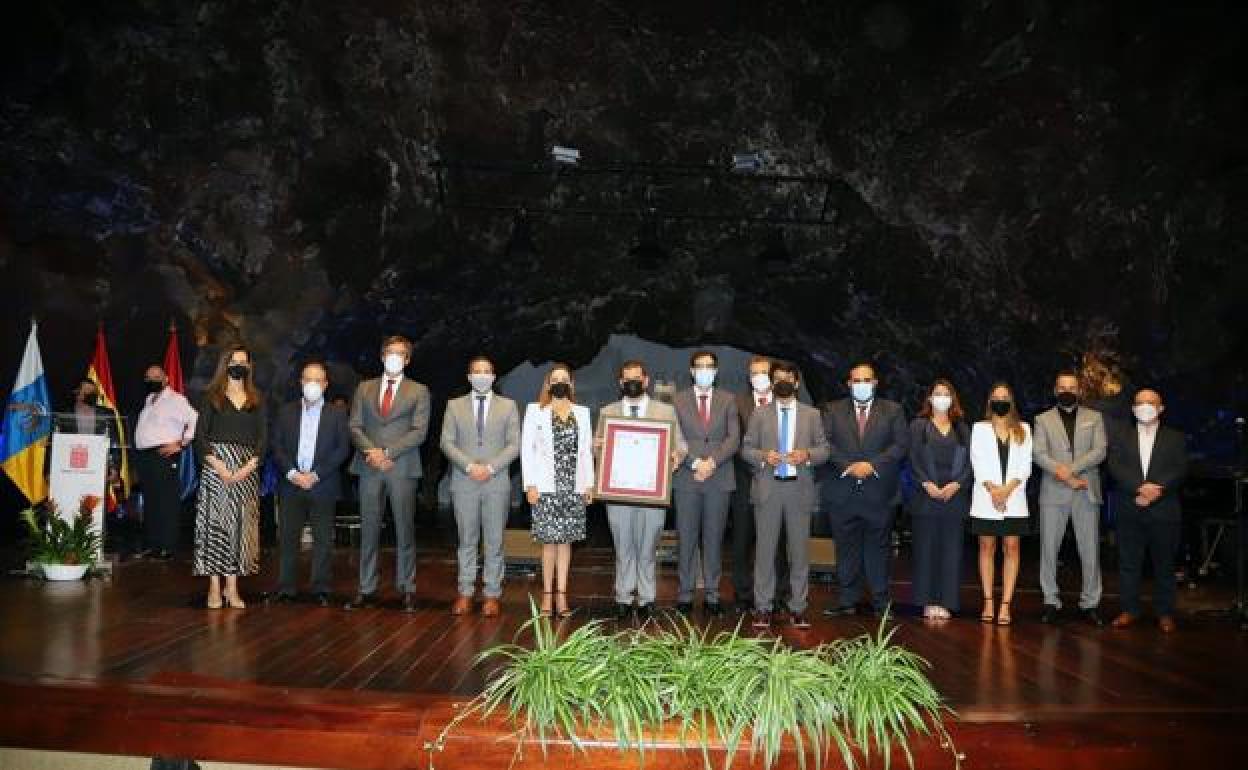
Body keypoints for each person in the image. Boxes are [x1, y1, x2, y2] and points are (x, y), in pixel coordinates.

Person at [740, 361, 830, 629]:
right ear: (771, 382)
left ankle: (798, 608)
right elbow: (746, 450)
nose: (782, 382)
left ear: (797, 383)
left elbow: (824, 450)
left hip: (798, 489)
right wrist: (763, 456)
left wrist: (807, 455)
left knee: (800, 553)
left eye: (787, 378)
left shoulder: (812, 415)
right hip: (768, 489)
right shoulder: (759, 414)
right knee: (765, 553)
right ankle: (763, 608)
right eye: (777, 378)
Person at [345, 335, 431, 612]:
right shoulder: (364, 388)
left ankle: (407, 587)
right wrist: (373, 452)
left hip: (401, 467)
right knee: (368, 529)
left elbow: (420, 431)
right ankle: (366, 587)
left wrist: (388, 453)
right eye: (390, 352)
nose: (394, 357)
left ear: (407, 359)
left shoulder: (419, 390)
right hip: (369, 466)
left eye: (401, 353)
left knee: (404, 528)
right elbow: (355, 426)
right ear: (382, 356)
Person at [597, 360, 687, 621]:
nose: (632, 382)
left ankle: (647, 598)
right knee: (623, 545)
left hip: (651, 493)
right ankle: (623, 597)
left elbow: (680, 445)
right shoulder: (607, 412)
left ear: (646, 381)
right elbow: (597, 450)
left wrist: (675, 457)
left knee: (648, 547)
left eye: (637, 378)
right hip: (618, 492)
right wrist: (597, 446)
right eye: (627, 378)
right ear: (620, 383)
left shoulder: (665, 412)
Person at [821, 362, 909, 616]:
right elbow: (825, 443)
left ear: (875, 382)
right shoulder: (831, 409)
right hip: (842, 490)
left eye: (866, 380)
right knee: (845, 548)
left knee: (878, 549)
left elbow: (900, 445)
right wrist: (849, 466)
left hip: (879, 492)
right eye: (856, 381)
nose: (861, 385)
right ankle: (847, 600)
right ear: (849, 384)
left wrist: (871, 465)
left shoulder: (893, 410)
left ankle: (881, 602)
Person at [439, 355, 521, 617]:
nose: (482, 375)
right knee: (466, 540)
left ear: (494, 377)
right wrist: (469, 466)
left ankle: (492, 595)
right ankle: (465, 592)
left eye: (487, 371)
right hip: (464, 482)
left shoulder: (508, 407)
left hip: (496, 482)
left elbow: (514, 445)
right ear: (469, 377)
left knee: (495, 541)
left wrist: (490, 467)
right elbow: (446, 442)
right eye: (477, 371)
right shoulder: (454, 406)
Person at [269, 360, 351, 607]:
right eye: (308, 379)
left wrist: (315, 475)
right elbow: (277, 446)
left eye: (317, 380)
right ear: (300, 382)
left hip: (322, 484)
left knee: (323, 539)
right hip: (291, 483)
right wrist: (293, 473)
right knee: (288, 537)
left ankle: (321, 588)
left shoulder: (337, 414)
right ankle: (286, 587)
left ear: (325, 385)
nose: (312, 384)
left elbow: (341, 449)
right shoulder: (285, 411)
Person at [1106, 388, 1188, 632]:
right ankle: (1129, 610)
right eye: (1139, 403)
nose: (1145, 406)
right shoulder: (1121, 436)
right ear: (1132, 409)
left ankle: (1165, 613)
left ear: (1161, 408)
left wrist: (1155, 491)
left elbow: (1180, 468)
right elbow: (1115, 467)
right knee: (1129, 563)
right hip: (1129, 507)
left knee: (1164, 564)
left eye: (1150, 403)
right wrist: (1139, 488)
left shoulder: (1176, 437)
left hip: (1164, 509)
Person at [192, 346, 267, 609]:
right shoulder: (212, 396)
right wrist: (219, 467)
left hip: (246, 469)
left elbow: (263, 438)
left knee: (240, 529)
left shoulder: (257, 399)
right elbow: (200, 437)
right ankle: (214, 587)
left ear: (249, 367)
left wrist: (247, 468)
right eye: (234, 361)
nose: (239, 365)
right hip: (216, 467)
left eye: (243, 362)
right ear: (226, 365)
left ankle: (232, 589)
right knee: (216, 528)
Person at [1033, 370, 1108, 626]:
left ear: (1079, 390)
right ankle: (1050, 601)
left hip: (1086, 490)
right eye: (1062, 387)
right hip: (1053, 493)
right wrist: (1065, 475)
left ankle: (1090, 604)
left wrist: (1071, 471)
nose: (1067, 391)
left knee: (1090, 551)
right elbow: (1039, 454)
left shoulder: (1095, 417)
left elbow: (1100, 451)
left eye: (1072, 387)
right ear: (1055, 390)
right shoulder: (1042, 420)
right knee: (1048, 550)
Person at [520, 363, 594, 618]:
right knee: (549, 543)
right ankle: (547, 596)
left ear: (571, 384)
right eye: (555, 378)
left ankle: (562, 595)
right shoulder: (535, 411)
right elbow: (526, 450)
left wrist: (589, 485)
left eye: (565, 378)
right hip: (545, 488)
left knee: (566, 543)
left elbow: (585, 451)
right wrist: (529, 484)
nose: (560, 382)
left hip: (573, 487)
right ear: (548, 384)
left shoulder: (582, 413)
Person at [670, 350, 739, 616]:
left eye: (710, 366)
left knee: (713, 539)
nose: (705, 370)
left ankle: (712, 594)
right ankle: (685, 595)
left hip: (719, 478)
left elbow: (733, 439)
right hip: (687, 478)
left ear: (716, 371)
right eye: (700, 366)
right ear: (691, 371)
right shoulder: (677, 400)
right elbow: (675, 438)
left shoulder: (729, 400)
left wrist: (711, 463)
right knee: (686, 539)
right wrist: (696, 464)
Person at [969, 382, 1033, 626]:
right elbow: (977, 462)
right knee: (986, 547)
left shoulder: (1024, 429)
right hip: (986, 497)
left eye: (1005, 396)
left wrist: (1006, 491)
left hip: (1014, 498)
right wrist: (993, 490)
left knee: (1012, 547)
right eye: (996, 396)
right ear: (989, 402)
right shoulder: (979, 428)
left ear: (1012, 401)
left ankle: (1005, 604)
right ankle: (988, 601)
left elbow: (1025, 466)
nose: (1000, 400)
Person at [908, 380, 971, 619]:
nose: (942, 398)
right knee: (925, 551)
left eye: (947, 394)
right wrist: (927, 484)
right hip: (925, 497)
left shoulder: (962, 428)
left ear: (953, 399)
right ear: (930, 399)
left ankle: (947, 601)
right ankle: (927, 601)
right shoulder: (918, 426)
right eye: (938, 394)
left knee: (951, 551)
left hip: (954, 498)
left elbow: (970, 463)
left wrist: (957, 484)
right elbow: (912, 459)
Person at [730, 354, 782, 613]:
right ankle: (742, 595)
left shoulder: (785, 402)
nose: (758, 377)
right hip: (744, 481)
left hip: (778, 483)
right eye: (753, 373)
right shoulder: (737, 403)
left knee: (776, 541)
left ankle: (777, 595)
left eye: (762, 372)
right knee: (742, 539)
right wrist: (759, 460)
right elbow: (733, 441)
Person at [133, 364, 198, 560]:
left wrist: (181, 444)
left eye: (156, 376)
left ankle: (168, 547)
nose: (151, 380)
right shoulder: (148, 400)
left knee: (166, 502)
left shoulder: (176, 399)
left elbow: (195, 418)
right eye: (148, 376)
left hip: (164, 455)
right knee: (151, 502)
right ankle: (154, 545)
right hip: (146, 457)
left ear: (166, 378)